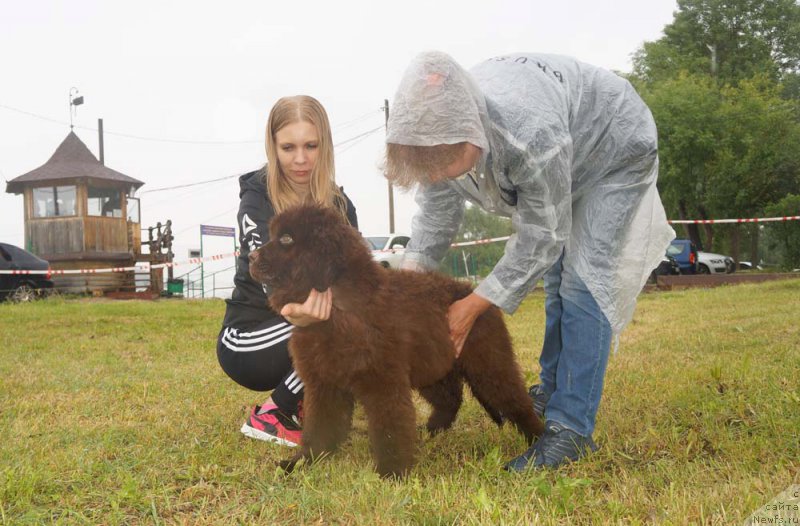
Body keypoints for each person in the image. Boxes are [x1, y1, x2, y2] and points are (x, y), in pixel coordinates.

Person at [385, 51, 675, 470]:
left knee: (582, 279)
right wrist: (404, 292)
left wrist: (472, 306)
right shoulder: (438, 136)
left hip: (612, 148)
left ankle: (572, 430)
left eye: (443, 162)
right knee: (558, 279)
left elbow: (543, 236)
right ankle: (553, 389)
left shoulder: (529, 136)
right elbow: (434, 219)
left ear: (473, 133)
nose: (434, 175)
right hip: (564, 139)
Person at [217, 95, 358, 447]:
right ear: (272, 147)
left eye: (311, 145)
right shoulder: (256, 199)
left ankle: (310, 403)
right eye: (288, 147)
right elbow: (273, 281)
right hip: (250, 339)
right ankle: (273, 412)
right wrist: (307, 313)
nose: (300, 159)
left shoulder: (341, 206)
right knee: (338, 321)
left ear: (324, 144)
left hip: (310, 321)